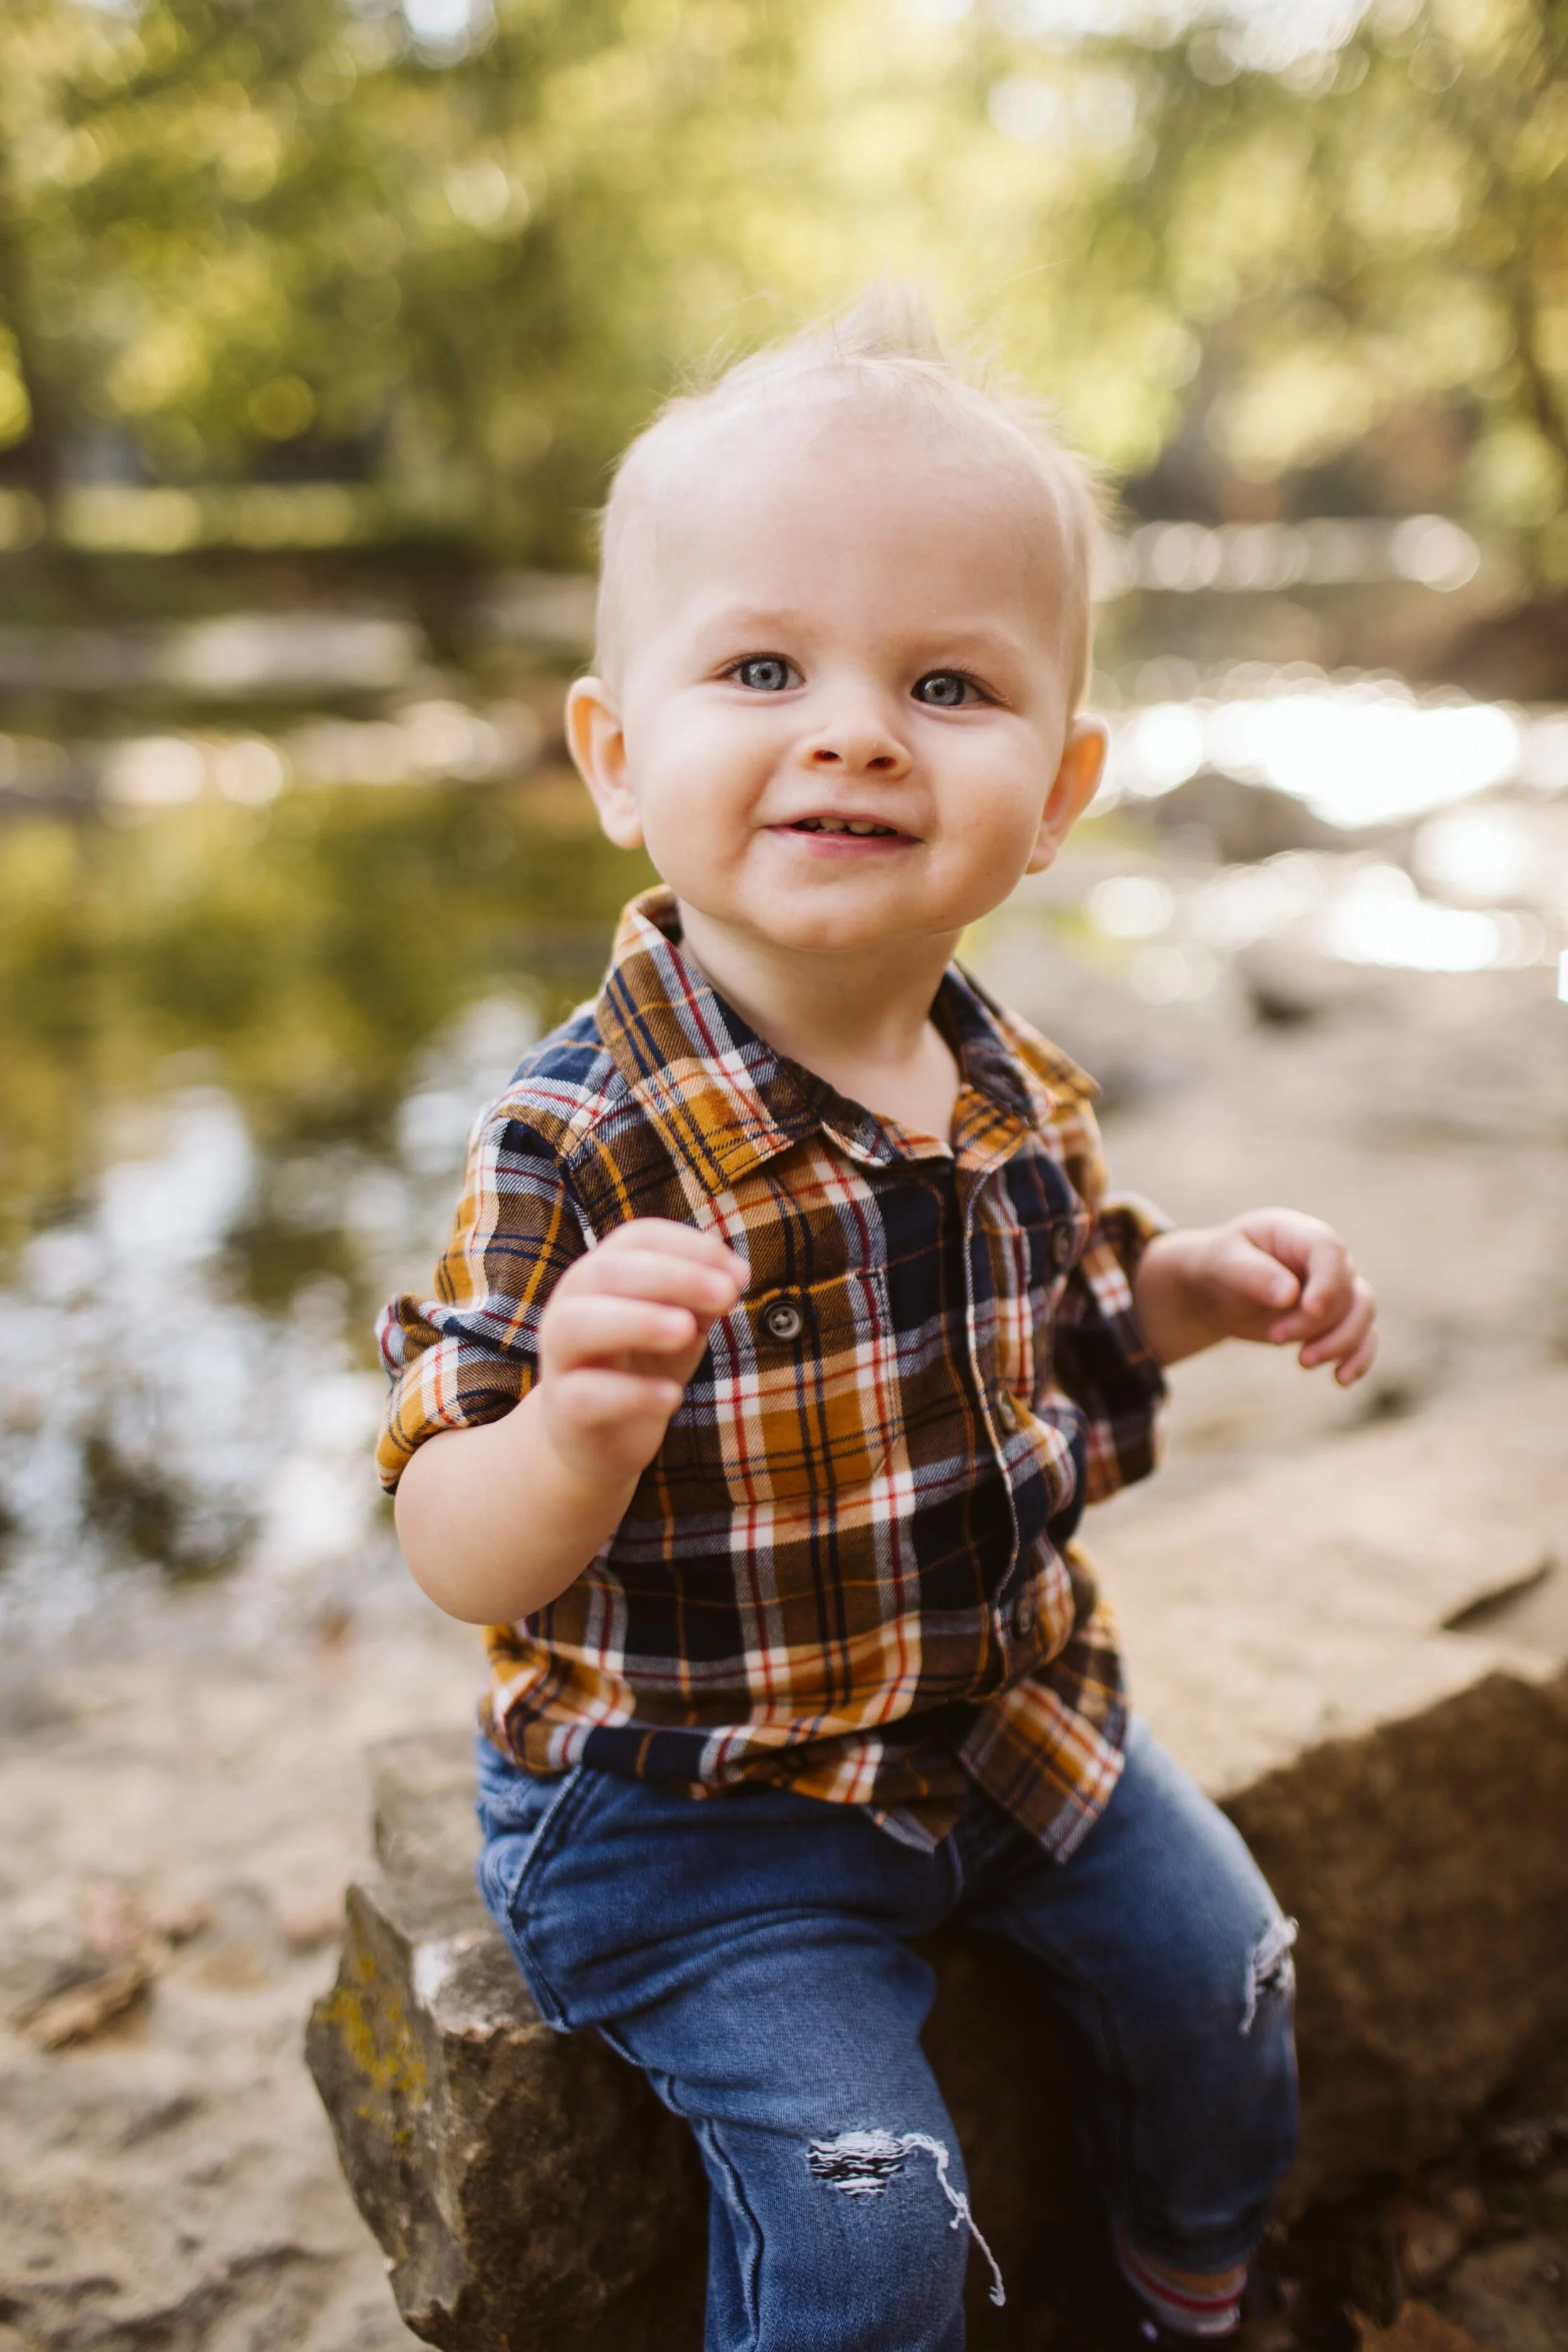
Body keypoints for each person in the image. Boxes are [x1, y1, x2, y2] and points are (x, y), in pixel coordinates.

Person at [376, 290, 1377, 2352]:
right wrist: (564, 1429)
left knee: (1240, 1980)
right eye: (762, 667)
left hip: (1005, 1717)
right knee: (874, 2231)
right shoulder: (578, 1140)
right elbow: (441, 1531)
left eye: (944, 681)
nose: (851, 729)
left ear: (1062, 782)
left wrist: (1190, 1290)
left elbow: (1066, 1317)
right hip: (697, 1806)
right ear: (615, 751)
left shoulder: (1011, 1078)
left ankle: (1182, 2280)